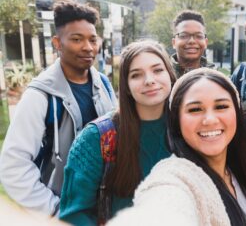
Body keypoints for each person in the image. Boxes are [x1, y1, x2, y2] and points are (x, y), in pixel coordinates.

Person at [109, 68, 246, 226]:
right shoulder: (175, 178)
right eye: (195, 109)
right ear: (177, 121)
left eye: (221, 107)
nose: (210, 119)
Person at [0, 1, 117, 216]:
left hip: (103, 209)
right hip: (60, 211)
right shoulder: (39, 96)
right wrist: (55, 210)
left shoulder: (105, 86)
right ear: (57, 42)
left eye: (93, 39)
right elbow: (13, 168)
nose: (88, 47)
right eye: (76, 39)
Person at [59, 40, 176, 225]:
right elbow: (73, 215)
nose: (149, 80)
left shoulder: (189, 129)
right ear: (126, 86)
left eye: (158, 70)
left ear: (170, 74)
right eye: (136, 75)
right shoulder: (97, 138)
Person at [171, 10, 216, 77]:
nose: (192, 41)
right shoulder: (164, 74)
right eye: (184, 36)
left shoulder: (216, 78)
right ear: (174, 43)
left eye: (199, 36)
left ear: (206, 42)